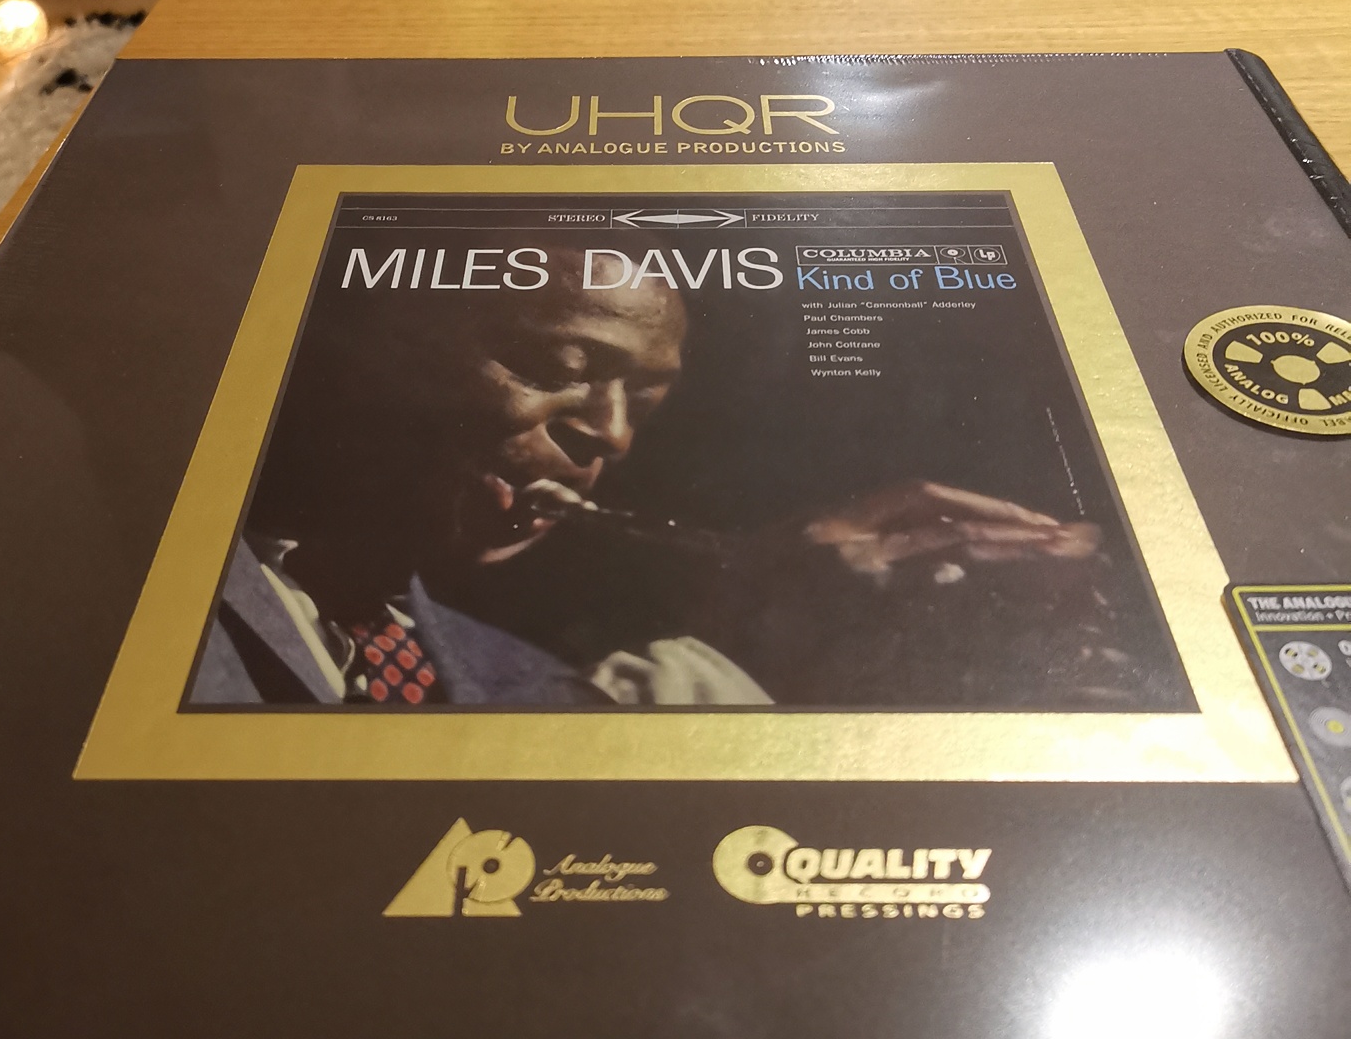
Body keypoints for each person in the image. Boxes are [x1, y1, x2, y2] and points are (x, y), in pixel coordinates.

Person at [190, 244, 1098, 709]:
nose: (613, 436)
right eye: (560, 365)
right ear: (379, 350)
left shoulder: (522, 676)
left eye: (646, 405)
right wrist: (734, 662)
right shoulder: (161, 594)